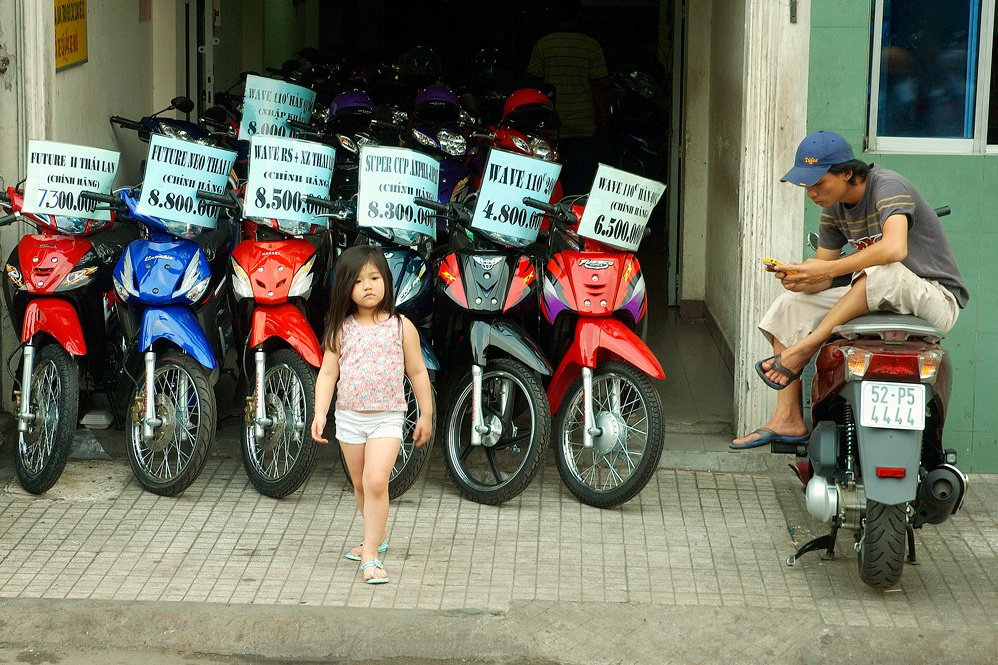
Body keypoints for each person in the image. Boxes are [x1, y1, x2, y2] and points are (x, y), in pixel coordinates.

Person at [731, 130, 969, 449]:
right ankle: (787, 416)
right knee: (791, 304)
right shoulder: (834, 208)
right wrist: (801, 278)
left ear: (847, 173)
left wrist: (826, 270)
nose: (812, 193)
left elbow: (894, 248)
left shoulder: (888, 186)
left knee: (882, 270)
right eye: (806, 186)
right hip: (877, 290)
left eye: (818, 183)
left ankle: (806, 348)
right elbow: (824, 274)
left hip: (935, 297)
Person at [311, 245, 434, 583]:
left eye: (375, 278)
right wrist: (320, 413)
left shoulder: (401, 327)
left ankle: (370, 556)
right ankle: (375, 536)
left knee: (376, 481)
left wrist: (426, 414)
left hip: (388, 417)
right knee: (360, 484)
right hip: (349, 418)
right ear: (346, 288)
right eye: (358, 280)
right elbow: (327, 374)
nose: (367, 286)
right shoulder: (340, 329)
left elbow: (418, 372)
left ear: (386, 282)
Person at [526, 0, 609, 195]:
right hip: (583, 129)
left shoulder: (543, 45)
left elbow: (532, 86)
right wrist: (603, 124)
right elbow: (599, 90)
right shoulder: (591, 47)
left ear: (554, 16)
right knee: (577, 191)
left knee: (546, 189)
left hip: (550, 129)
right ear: (579, 16)